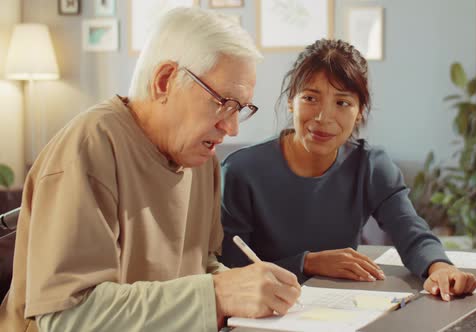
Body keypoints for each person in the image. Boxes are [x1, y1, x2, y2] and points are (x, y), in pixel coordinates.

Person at [0, 8, 300, 332]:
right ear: (164, 81)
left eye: (240, 109)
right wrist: (217, 295)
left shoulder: (201, 160)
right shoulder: (89, 147)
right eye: (223, 102)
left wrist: (243, 287)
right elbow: (67, 318)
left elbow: (200, 267)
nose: (232, 128)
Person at [219, 39, 476, 301]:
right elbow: (230, 271)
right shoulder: (242, 171)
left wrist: (441, 268)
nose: (323, 117)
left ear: (359, 111)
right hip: (262, 313)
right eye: (310, 98)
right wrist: (306, 263)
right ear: (290, 101)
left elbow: (411, 231)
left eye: (342, 103)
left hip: (342, 310)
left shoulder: (371, 166)